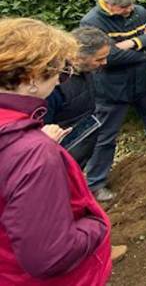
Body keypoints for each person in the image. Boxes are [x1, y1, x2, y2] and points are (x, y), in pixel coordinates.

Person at [0, 18, 112, 285]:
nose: (62, 80)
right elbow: (49, 255)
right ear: (30, 79)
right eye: (57, 74)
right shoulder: (33, 154)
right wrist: (97, 223)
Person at [81, 0, 146, 201]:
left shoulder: (138, 12)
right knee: (106, 135)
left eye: (131, 5)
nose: (129, 9)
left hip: (140, 81)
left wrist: (133, 43)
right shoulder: (92, 23)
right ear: (109, 4)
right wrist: (143, 50)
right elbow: (109, 57)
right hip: (112, 88)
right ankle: (95, 183)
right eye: (124, 7)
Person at [44, 27, 110, 168]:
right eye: (99, 59)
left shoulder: (84, 70)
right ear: (78, 56)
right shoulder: (52, 88)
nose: (105, 63)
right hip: (59, 161)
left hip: (79, 152)